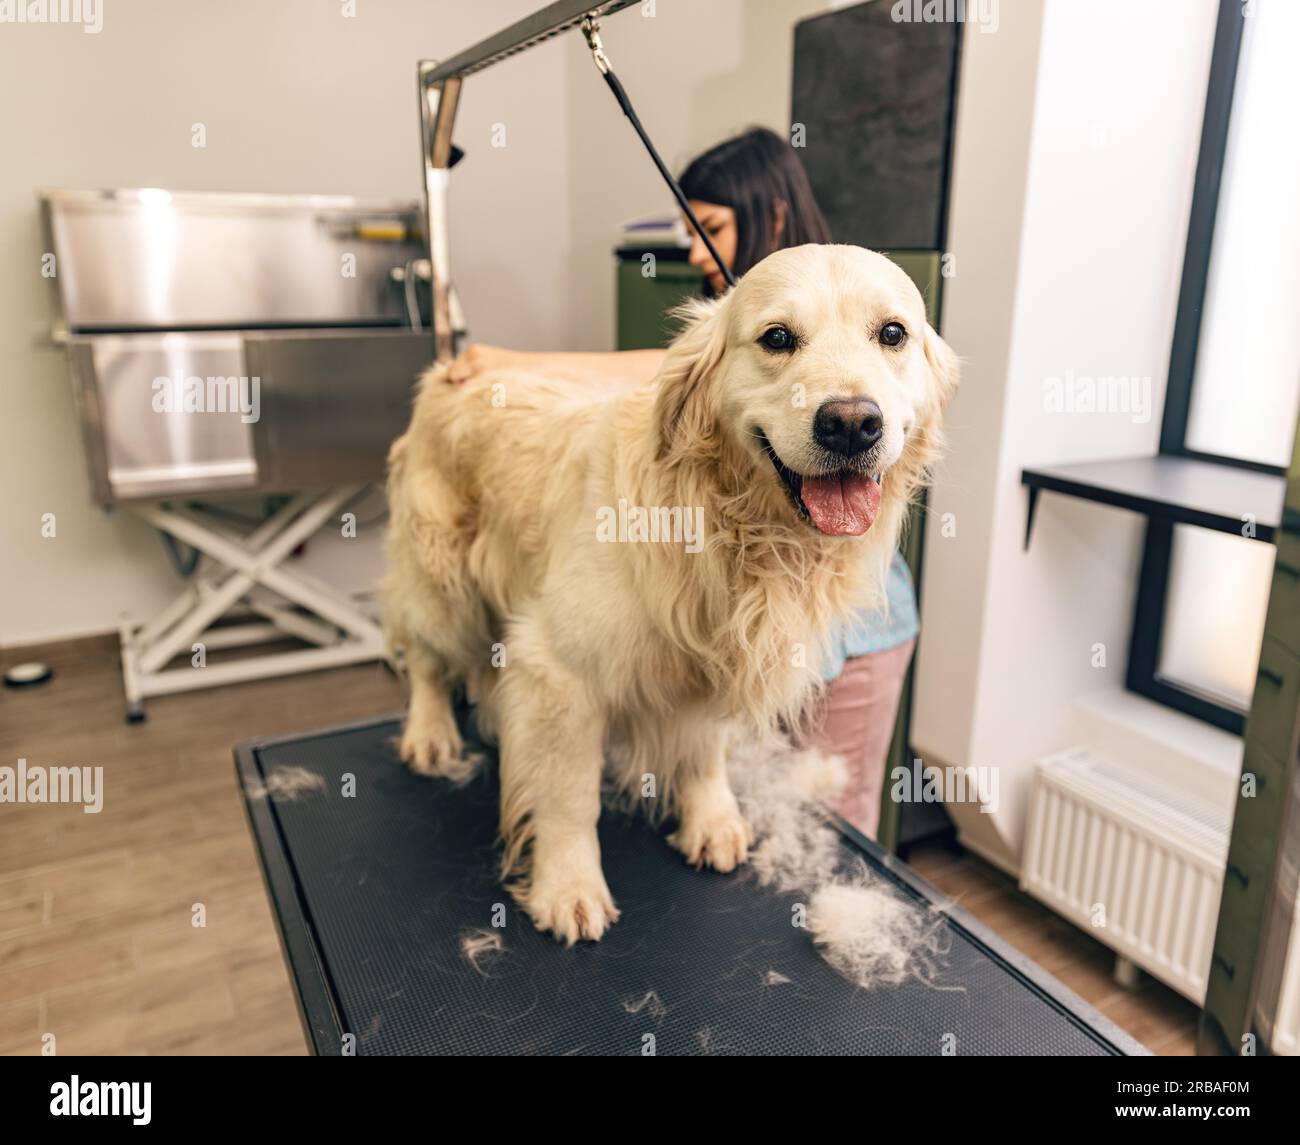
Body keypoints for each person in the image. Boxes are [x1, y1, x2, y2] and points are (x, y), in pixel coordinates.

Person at [445, 126, 918, 840]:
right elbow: (664, 371)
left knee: (825, 834)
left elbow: (648, 367)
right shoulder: (733, 324)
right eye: (689, 226)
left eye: (713, 226)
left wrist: (516, 358)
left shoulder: (838, 288)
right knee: (756, 807)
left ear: (776, 215)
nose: (695, 248)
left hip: (857, 633)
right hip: (757, 618)